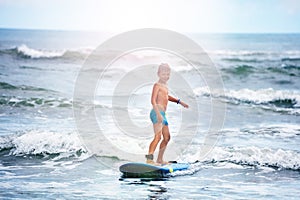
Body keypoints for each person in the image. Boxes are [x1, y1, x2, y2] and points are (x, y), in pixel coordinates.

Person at [146, 63, 189, 165]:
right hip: (157, 113)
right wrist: (158, 114)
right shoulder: (157, 85)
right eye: (163, 74)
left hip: (162, 114)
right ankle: (149, 159)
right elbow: (153, 101)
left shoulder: (165, 86)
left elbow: (167, 96)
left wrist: (179, 102)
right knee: (158, 137)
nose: (166, 76)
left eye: (167, 74)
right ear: (158, 74)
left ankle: (160, 160)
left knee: (167, 137)